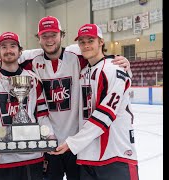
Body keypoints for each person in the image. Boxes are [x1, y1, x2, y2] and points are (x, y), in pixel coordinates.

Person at [0, 16, 131, 180]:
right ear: (38, 38)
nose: (49, 40)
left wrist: (117, 59)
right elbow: (8, 55)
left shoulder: (77, 53)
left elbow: (99, 57)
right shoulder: (32, 57)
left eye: (53, 35)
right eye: (44, 36)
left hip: (77, 142)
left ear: (61, 35)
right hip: (48, 143)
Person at [50, 23, 139, 180]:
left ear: (101, 42)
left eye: (90, 40)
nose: (86, 45)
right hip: (88, 157)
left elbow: (105, 114)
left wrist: (72, 143)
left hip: (115, 155)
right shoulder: (83, 72)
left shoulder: (114, 69)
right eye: (82, 42)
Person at [0, 31, 55, 180]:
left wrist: (49, 135)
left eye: (13, 46)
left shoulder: (33, 79)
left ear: (20, 51)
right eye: (4, 47)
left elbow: (41, 114)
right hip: (0, 158)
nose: (8, 50)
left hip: (31, 156)